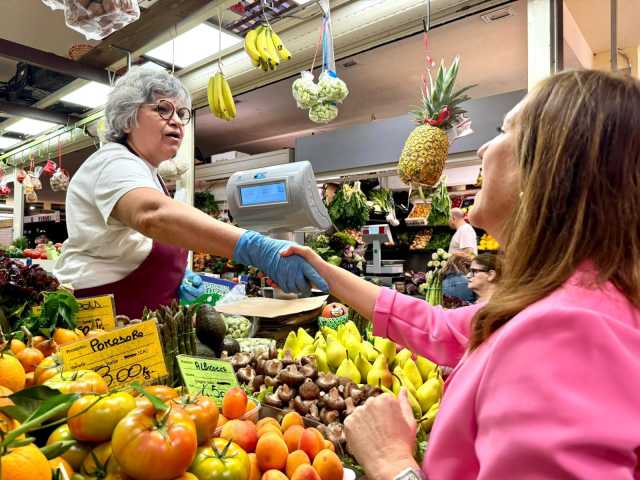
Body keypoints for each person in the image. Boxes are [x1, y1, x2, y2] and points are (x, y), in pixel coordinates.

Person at [282, 70, 640, 478]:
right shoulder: (557, 302)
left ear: (549, 170)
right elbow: (436, 326)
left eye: (506, 130)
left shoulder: (568, 332)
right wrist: (326, 272)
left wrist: (392, 462)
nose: (485, 146)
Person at [54, 67, 327, 318]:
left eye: (181, 114)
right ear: (127, 119)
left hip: (138, 317)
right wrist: (256, 249)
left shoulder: (148, 173)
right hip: (104, 319)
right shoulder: (112, 162)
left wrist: (175, 277)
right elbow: (152, 215)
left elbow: (136, 243)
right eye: (163, 109)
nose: (176, 122)